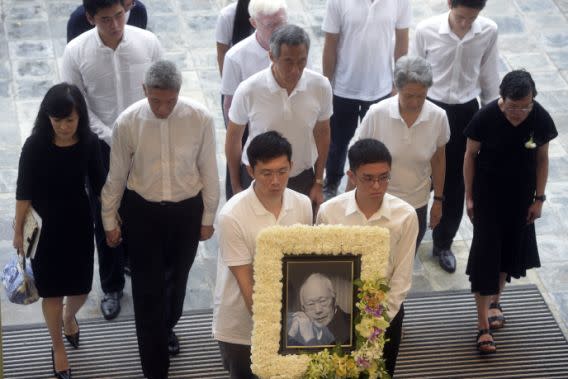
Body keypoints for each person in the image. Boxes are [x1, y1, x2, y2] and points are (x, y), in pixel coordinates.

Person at [101, 60, 220, 378]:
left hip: (186, 212)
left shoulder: (200, 118)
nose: (163, 108)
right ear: (144, 91)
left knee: (177, 282)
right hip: (143, 212)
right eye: (156, 101)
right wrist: (109, 220)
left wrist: (208, 215)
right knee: (146, 290)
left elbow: (209, 169)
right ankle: (154, 367)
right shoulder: (127, 123)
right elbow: (115, 176)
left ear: (179, 92)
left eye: (170, 100)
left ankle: (166, 326)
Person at [62, 0, 163, 320]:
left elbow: (161, 92)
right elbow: (77, 103)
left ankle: (141, 270)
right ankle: (111, 286)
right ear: (90, 18)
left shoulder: (147, 43)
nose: (116, 25)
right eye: (106, 19)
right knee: (104, 214)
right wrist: (110, 134)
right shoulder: (76, 52)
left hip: (144, 140)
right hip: (100, 145)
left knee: (146, 209)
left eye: (120, 16)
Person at [12, 83, 106, 379]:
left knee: (80, 289)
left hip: (78, 223)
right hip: (44, 230)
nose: (64, 127)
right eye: (57, 121)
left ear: (80, 117)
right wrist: (17, 232)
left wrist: (112, 218)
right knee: (51, 294)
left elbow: (101, 185)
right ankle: (57, 348)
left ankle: (69, 316)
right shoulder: (35, 146)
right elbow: (23, 192)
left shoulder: (89, 143)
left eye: (70, 121)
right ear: (47, 118)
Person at [463, 70, 557, 354]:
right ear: (502, 99)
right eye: (512, 107)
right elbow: (469, 156)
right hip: (488, 198)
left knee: (508, 252)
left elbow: (542, 159)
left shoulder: (538, 117)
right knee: (485, 256)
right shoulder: (485, 117)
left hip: (520, 199)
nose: (519, 113)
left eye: (525, 106)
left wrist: (538, 199)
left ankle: (495, 301)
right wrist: (469, 197)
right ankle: (482, 326)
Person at [213, 131, 313, 379]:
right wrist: (279, 330)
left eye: (282, 171)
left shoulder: (302, 204)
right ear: (250, 171)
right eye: (266, 173)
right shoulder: (232, 215)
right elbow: (247, 286)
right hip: (242, 326)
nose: (276, 181)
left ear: (292, 166)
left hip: (291, 321)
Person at [317, 139, 419, 376]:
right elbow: (320, 266)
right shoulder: (330, 212)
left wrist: (377, 322)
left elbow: (402, 278)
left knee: (380, 372)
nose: (377, 186)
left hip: (386, 313)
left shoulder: (405, 216)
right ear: (351, 175)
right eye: (368, 178)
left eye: (384, 177)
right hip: (337, 312)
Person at [414, 0, 499, 273]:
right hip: (430, 107)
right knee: (418, 174)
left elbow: (488, 76)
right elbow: (412, 73)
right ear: (450, 4)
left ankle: (443, 243)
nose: (465, 24)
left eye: (471, 19)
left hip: (465, 111)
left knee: (456, 182)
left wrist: (490, 122)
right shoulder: (426, 30)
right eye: (461, 17)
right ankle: (408, 238)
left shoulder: (488, 31)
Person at [226, 24, 332, 208]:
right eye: (288, 61)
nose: (295, 70)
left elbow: (322, 133)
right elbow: (233, 138)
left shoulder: (320, 86)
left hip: (301, 176)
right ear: (272, 56)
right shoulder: (249, 89)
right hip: (259, 177)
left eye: (301, 61)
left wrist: (318, 181)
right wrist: (236, 186)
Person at [357, 56, 449, 250]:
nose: (415, 102)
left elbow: (439, 160)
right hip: (377, 199)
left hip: (416, 203)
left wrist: (438, 200)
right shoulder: (377, 113)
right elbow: (358, 158)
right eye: (409, 96)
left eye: (421, 96)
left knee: (405, 263)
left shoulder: (438, 117)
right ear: (397, 88)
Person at [322, 0, 411, 199]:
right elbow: (330, 42)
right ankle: (332, 181)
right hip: (344, 86)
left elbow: (402, 40)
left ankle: (372, 184)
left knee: (376, 143)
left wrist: (398, 82)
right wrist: (326, 84)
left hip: (381, 86)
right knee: (337, 141)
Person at [220, 0, 288, 199]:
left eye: (282, 23)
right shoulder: (236, 57)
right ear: (253, 23)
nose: (278, 30)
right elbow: (229, 104)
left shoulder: (294, 46)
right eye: (271, 25)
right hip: (248, 128)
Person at [287, 273, 351, 346]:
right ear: (303, 309)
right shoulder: (296, 329)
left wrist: (309, 338)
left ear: (335, 300)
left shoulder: (353, 326)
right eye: (310, 304)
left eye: (323, 301)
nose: (318, 310)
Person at [67, 0, 148, 42]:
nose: (115, 25)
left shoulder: (138, 10)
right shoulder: (78, 20)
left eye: (119, 14)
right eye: (106, 19)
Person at [215, 0, 253, 76]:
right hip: (239, 74)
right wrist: (226, 82)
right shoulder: (227, 16)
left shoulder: (278, 14)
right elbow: (222, 52)